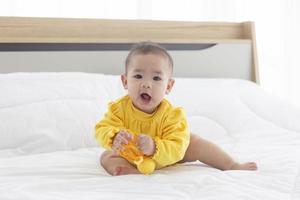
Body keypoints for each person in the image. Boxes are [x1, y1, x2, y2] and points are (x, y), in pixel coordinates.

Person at [95, 41, 257, 176]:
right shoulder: (118, 109)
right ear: (125, 81)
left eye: (156, 78)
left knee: (195, 142)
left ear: (169, 86)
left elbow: (177, 147)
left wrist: (154, 147)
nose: (146, 84)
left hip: (167, 155)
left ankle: (231, 164)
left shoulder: (173, 115)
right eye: (138, 76)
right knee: (106, 156)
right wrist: (113, 136)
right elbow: (102, 128)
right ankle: (128, 171)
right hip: (131, 154)